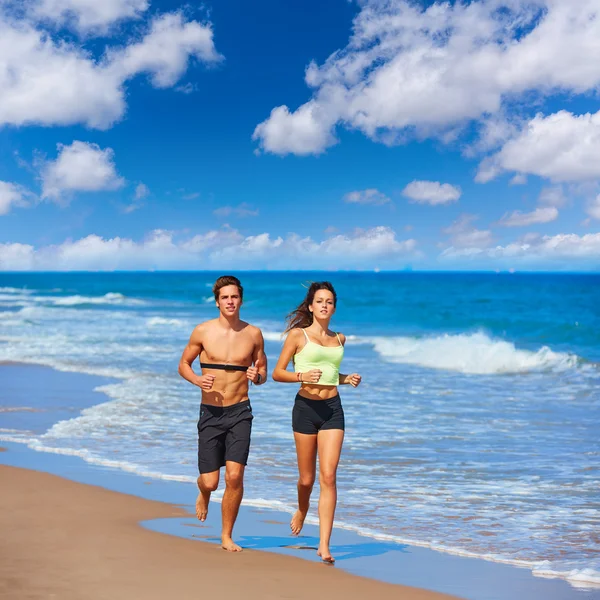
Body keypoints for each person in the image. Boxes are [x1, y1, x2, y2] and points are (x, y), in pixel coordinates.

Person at [272, 281, 361, 563]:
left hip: (333, 409)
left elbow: (331, 373)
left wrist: (347, 379)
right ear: (311, 306)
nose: (325, 305)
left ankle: (324, 545)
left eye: (330, 302)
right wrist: (301, 376)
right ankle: (302, 508)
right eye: (320, 301)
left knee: (329, 477)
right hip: (305, 408)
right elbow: (277, 372)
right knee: (307, 479)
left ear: (334, 308)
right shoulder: (298, 336)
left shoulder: (339, 339)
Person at [178, 275, 267, 552]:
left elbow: (263, 371)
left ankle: (227, 535)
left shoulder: (253, 334)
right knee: (211, 481)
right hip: (211, 412)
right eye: (225, 297)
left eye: (235, 297)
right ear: (217, 301)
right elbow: (183, 363)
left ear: (241, 300)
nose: (230, 301)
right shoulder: (203, 331)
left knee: (234, 477)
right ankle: (203, 491)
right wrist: (196, 379)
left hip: (240, 411)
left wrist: (257, 375)